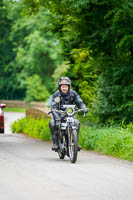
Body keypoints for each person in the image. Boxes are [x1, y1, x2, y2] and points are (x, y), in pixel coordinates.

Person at [49, 77, 88, 150]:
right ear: (60, 87)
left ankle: (75, 142)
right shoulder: (56, 95)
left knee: (76, 123)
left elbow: (80, 102)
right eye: (62, 86)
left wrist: (84, 108)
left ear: (69, 87)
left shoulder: (73, 93)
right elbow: (53, 107)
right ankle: (56, 143)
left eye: (66, 86)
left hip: (70, 114)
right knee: (52, 123)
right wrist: (57, 118)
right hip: (59, 115)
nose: (64, 88)